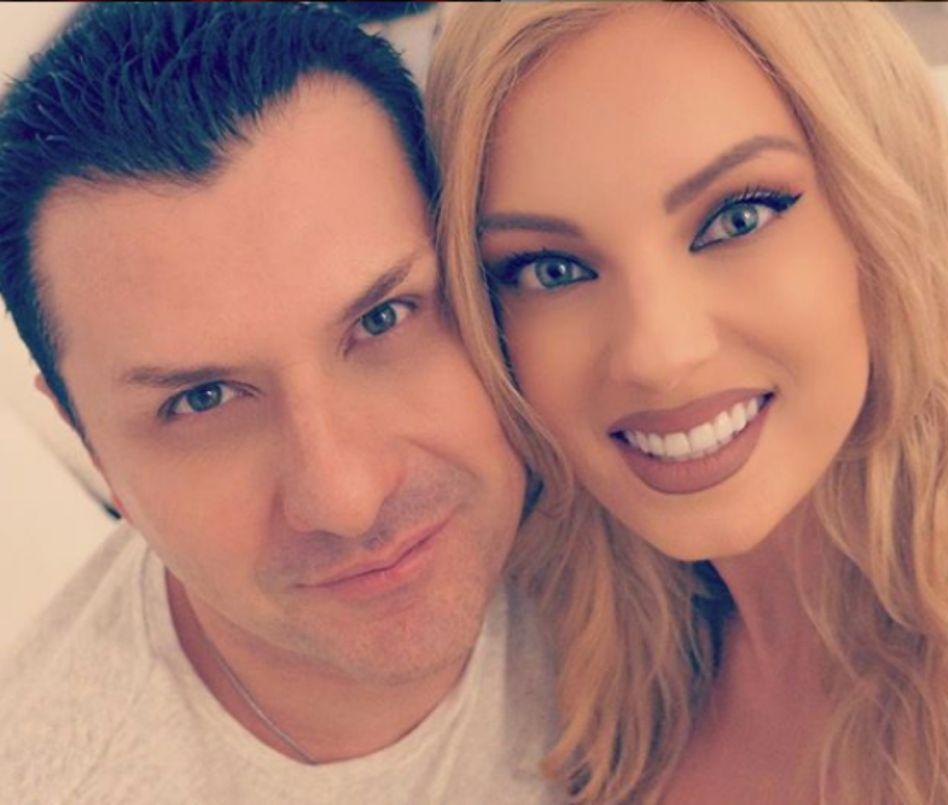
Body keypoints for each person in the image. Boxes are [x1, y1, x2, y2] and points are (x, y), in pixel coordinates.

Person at [427, 3, 948, 803]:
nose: (658, 354)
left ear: (884, 209)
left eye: (737, 218)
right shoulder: (571, 654)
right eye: (552, 269)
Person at [0, 4, 559, 803]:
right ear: (91, 445)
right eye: (201, 399)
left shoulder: (647, 507)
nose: (347, 498)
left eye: (383, 318)